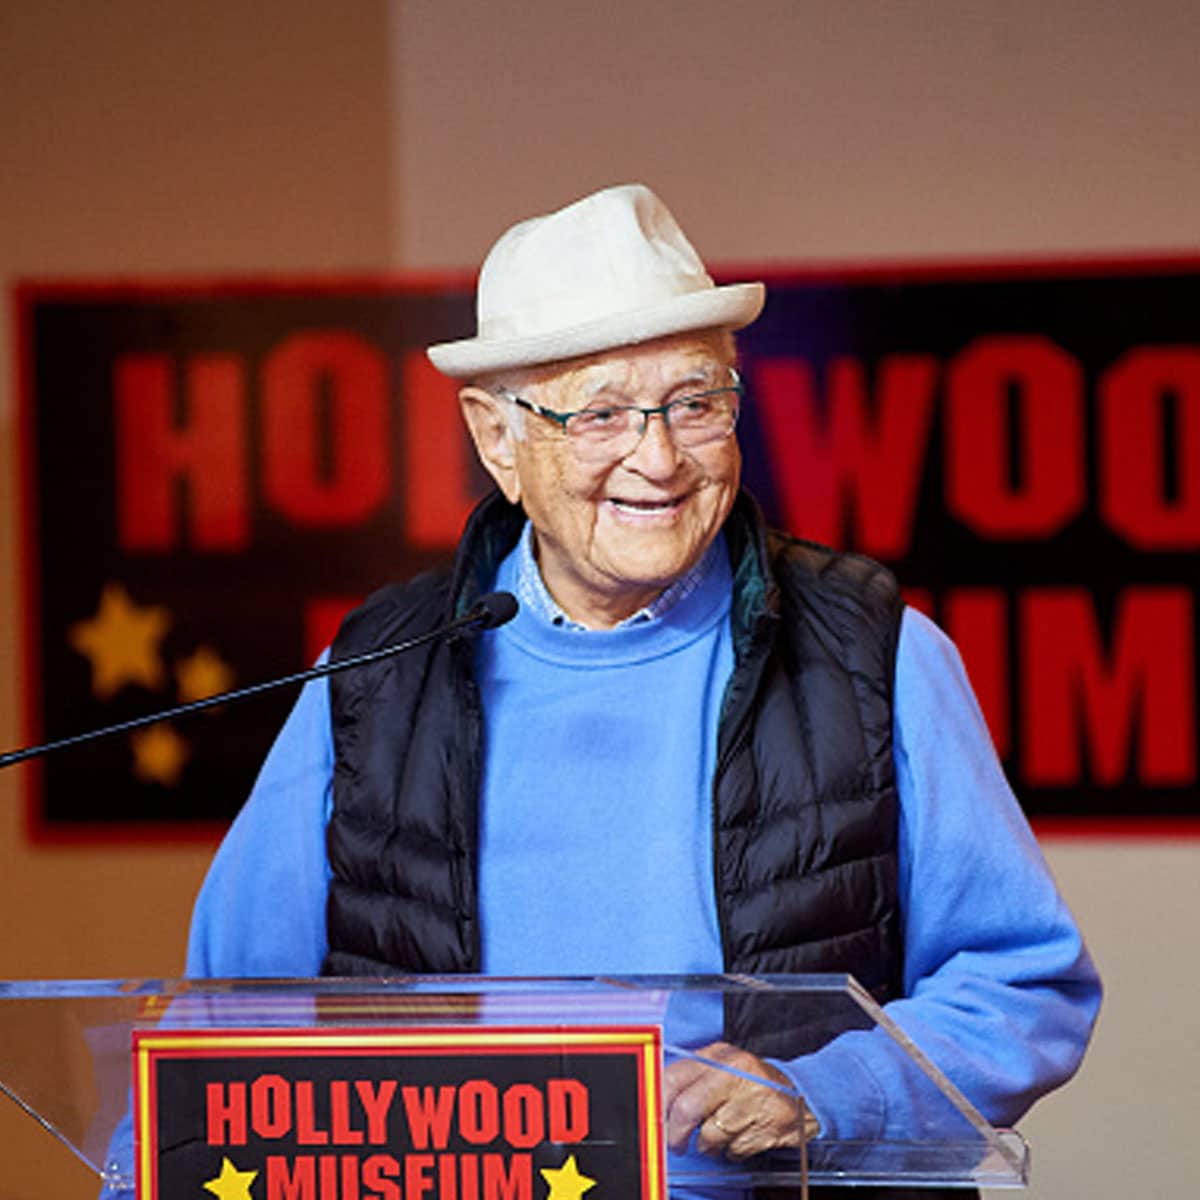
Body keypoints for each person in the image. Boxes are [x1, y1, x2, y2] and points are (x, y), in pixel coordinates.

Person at [185, 184, 1101, 1191]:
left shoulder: (874, 652)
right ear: (498, 440)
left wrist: (825, 1095)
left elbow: (1024, 987)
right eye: (601, 413)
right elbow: (225, 1014)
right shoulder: (375, 671)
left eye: (696, 403)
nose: (657, 457)